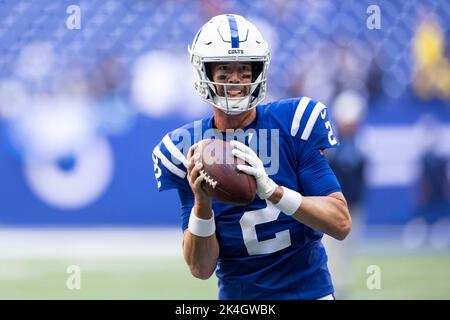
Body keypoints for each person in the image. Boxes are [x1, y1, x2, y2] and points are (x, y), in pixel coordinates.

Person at [152, 14, 351, 300]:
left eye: (244, 71)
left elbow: (340, 223)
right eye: (223, 72)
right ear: (204, 74)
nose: (235, 80)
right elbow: (200, 268)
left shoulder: (293, 125)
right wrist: (202, 202)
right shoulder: (186, 148)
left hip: (309, 293)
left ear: (259, 73)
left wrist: (273, 191)